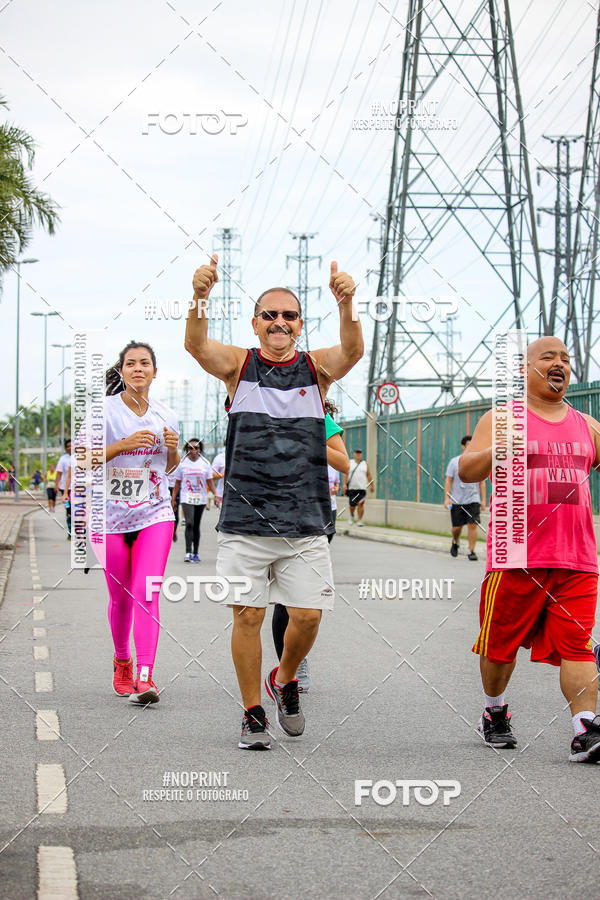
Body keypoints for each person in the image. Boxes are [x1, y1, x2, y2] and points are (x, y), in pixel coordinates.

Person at [185, 254, 363, 750]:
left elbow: (352, 350)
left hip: (305, 519)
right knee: (248, 616)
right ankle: (252, 712)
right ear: (256, 324)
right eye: (270, 315)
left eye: (289, 316)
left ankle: (283, 678)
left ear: (300, 324)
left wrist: (347, 305)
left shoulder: (315, 369)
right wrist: (199, 296)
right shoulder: (239, 367)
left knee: (307, 616)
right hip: (245, 520)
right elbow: (196, 344)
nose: (279, 322)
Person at [460, 336, 600, 762]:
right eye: (548, 357)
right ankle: (494, 710)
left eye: (566, 358)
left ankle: (585, 730)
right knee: (499, 648)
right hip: (517, 554)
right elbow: (467, 469)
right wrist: (498, 449)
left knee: (577, 645)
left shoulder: (589, 425)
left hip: (578, 557)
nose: (559, 364)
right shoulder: (502, 419)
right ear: (524, 370)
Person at [84, 341, 179, 704]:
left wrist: (172, 448)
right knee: (121, 598)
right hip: (108, 516)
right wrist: (121, 446)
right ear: (121, 371)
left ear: (155, 371)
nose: (138, 368)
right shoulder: (103, 411)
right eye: (130, 364)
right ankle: (122, 660)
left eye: (145, 363)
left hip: (154, 513)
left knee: (147, 592)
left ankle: (146, 675)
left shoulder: (166, 414)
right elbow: (82, 459)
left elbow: (169, 467)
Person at [271, 399, 350, 692]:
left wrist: (310, 436)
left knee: (304, 597)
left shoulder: (322, 421)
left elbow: (343, 463)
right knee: (283, 596)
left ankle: (294, 660)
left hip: (315, 516)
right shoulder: (267, 413)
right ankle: (287, 667)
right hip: (275, 514)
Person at [172, 439, 215, 562]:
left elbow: (210, 481)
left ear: (200, 449)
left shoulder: (205, 463)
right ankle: (187, 552)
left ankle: (195, 553)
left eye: (196, 448)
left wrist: (216, 494)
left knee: (196, 525)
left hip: (200, 498)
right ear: (187, 450)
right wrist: (173, 499)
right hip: (187, 497)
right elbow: (177, 484)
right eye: (191, 448)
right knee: (189, 523)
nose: (193, 450)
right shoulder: (182, 464)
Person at [444, 435, 486, 560]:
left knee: (473, 524)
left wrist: (483, 500)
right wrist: (447, 498)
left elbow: (482, 482)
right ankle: (455, 541)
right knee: (457, 527)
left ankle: (471, 551)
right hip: (457, 500)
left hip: (473, 499)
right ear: (463, 446)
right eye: (469, 445)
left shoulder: (478, 461)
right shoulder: (454, 462)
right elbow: (448, 480)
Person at [343, 449, 374, 526]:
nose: (358, 455)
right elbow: (345, 474)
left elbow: (369, 475)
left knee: (361, 504)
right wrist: (344, 484)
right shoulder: (350, 463)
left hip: (362, 488)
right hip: (352, 488)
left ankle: (359, 520)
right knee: (352, 505)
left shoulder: (365, 464)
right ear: (354, 454)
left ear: (361, 455)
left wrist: (372, 485)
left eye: (360, 453)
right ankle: (351, 516)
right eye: (357, 453)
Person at [56, 439, 73, 539]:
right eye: (68, 446)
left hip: (79, 489)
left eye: (71, 445)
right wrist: (57, 484)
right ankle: (70, 532)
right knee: (69, 510)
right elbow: (59, 473)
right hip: (65, 489)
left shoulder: (81, 457)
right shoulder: (63, 459)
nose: (70, 448)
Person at [167, 470, 180, 542]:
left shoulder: (179, 464)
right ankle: (167, 533)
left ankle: (174, 531)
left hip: (176, 488)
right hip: (166, 488)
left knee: (176, 516)